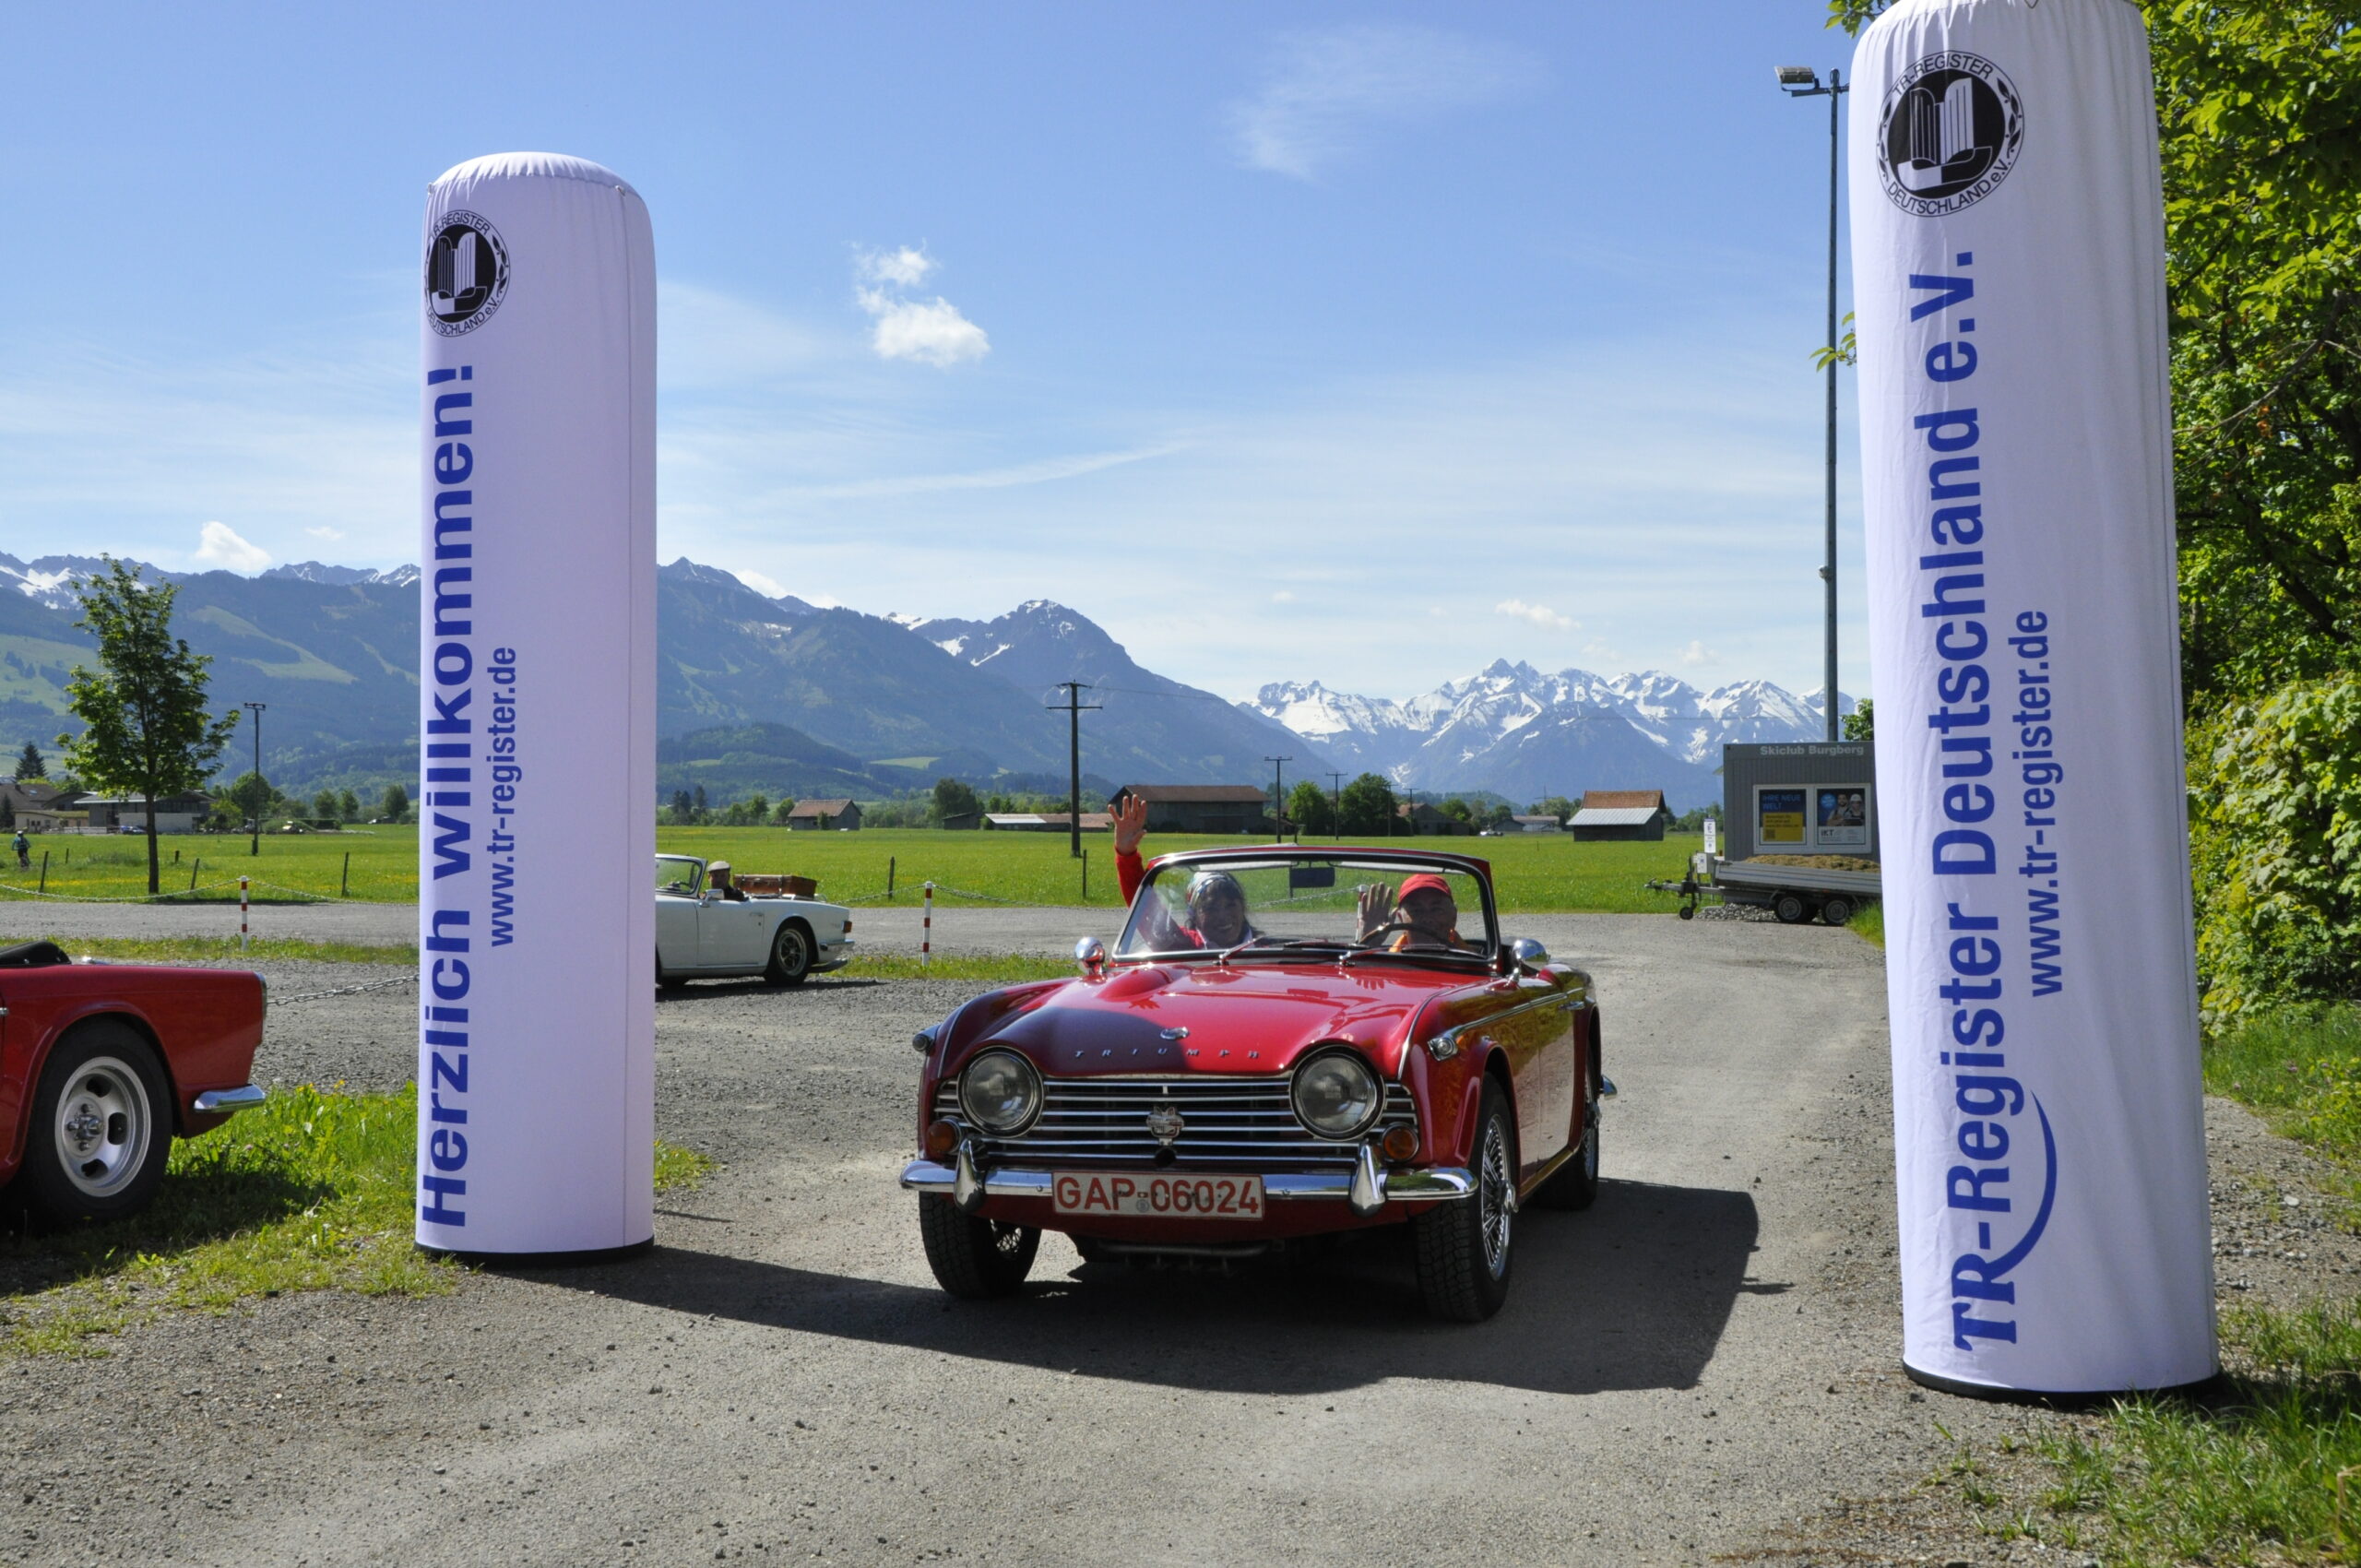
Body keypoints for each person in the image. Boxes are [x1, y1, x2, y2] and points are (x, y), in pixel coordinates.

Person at [1109, 793, 1259, 948]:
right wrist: (1126, 854)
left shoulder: (1267, 950)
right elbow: (1144, 906)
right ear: (1194, 915)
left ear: (1243, 908)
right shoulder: (1181, 945)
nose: (1222, 915)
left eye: (1231, 905)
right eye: (1210, 908)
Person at [1357, 872, 1473, 952]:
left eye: (1437, 910)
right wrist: (1368, 943)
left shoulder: (1476, 966)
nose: (1427, 918)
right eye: (1416, 911)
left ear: (1453, 917)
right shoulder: (1385, 964)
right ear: (1401, 919)